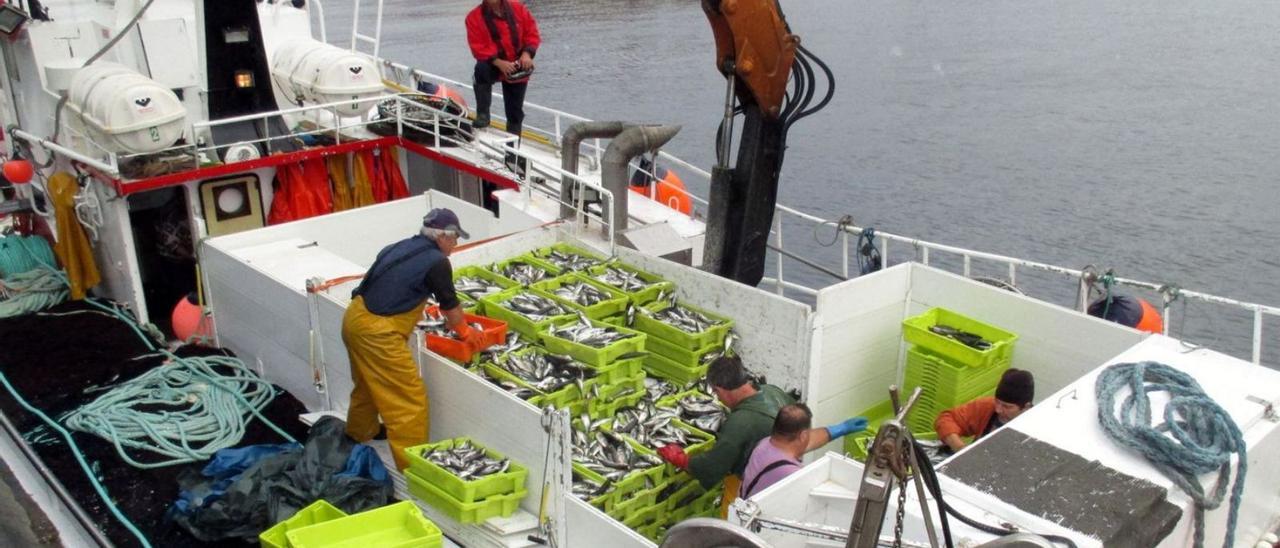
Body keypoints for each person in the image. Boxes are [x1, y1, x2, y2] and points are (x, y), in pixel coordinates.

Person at [342, 208, 491, 471]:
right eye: (455, 237)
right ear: (442, 236)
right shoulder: (437, 262)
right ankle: (412, 467)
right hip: (378, 333)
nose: (456, 244)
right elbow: (450, 307)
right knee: (408, 399)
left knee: (367, 383)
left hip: (354, 317)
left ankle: (358, 433)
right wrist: (467, 334)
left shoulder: (398, 247)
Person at [656, 356, 797, 517]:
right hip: (786, 472)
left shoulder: (740, 424)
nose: (718, 398)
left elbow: (713, 466)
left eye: (716, 393)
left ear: (720, 390)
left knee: (734, 521)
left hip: (754, 484)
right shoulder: (772, 391)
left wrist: (682, 460)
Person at [739, 403, 868, 499]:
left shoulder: (765, 444)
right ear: (803, 436)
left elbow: (811, 441)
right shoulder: (791, 474)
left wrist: (841, 428)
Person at [465, 0, 541, 135]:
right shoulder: (473, 18)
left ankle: (513, 153)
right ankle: (483, 114)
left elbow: (532, 34)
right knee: (481, 69)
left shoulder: (518, 8)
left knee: (514, 113)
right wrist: (499, 63)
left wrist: (527, 54)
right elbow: (478, 48)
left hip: (518, 66)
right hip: (493, 64)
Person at [934, 368, 1035, 453]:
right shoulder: (987, 407)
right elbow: (946, 419)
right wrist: (960, 447)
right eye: (997, 402)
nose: (998, 410)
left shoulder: (1036, 429)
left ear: (1026, 407)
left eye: (1006, 406)